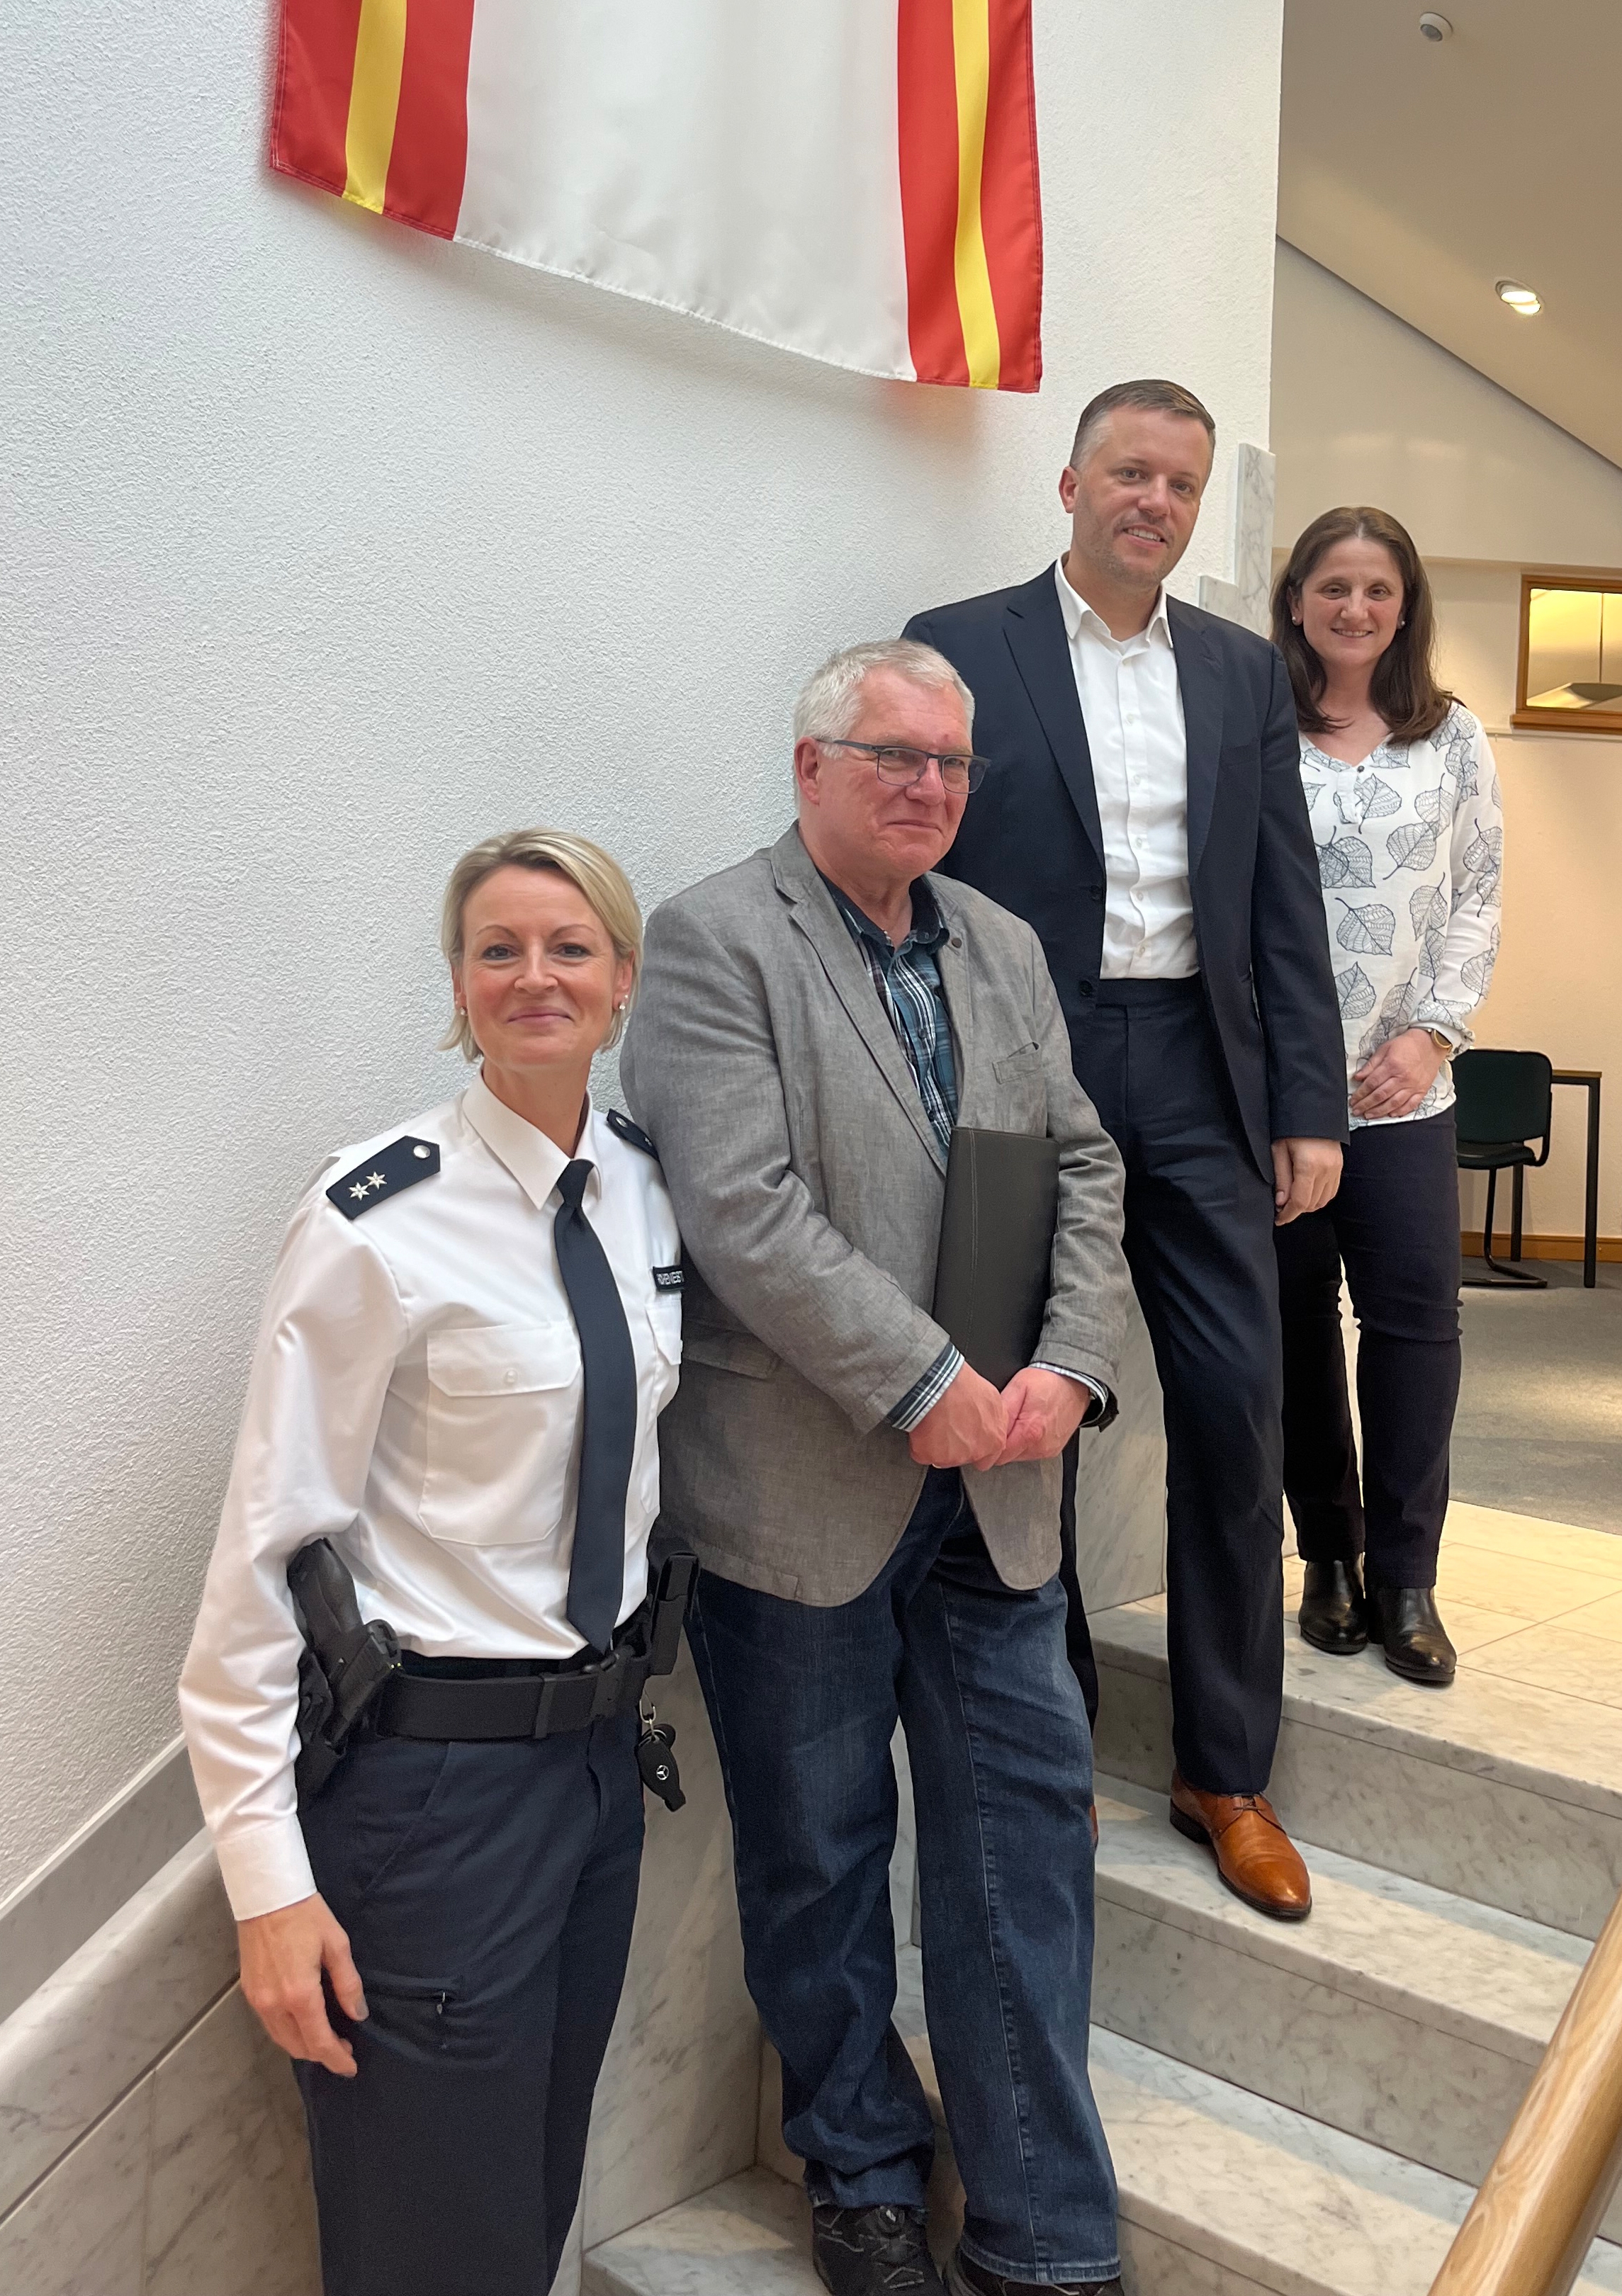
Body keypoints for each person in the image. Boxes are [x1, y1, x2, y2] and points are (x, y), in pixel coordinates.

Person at [621, 640, 1131, 2296]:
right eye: (890, 756)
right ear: (808, 766)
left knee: (1019, 1851)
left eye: (949, 765)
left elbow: (1080, 1159)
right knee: (818, 1857)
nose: (926, 788)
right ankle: (858, 2172)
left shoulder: (997, 940)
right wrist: (915, 1376)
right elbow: (740, 1204)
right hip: (802, 1486)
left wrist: (1065, 1360)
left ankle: (1045, 2228)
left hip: (1000, 1485)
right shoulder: (713, 941)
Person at [179, 828, 682, 2296]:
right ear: (457, 989)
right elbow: (261, 1559)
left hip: (597, 1772)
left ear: (622, 979)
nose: (536, 976)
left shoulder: (647, 1191)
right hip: (432, 1796)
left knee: (526, 2206)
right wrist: (266, 1883)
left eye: (568, 946)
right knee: (427, 2240)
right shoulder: (373, 1218)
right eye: (498, 950)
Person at [905, 380, 1348, 1924]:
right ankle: (1052, 1751)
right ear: (1071, 483)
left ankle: (1225, 1768)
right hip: (1028, 1072)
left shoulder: (1240, 675)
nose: (1152, 501)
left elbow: (1283, 902)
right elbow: (916, 876)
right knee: (1033, 1413)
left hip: (1204, 1077)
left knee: (1234, 1406)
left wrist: (1311, 1108)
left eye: (1179, 483)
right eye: (1128, 473)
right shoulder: (961, 644)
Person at [1270, 508, 1503, 1685]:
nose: (1354, 608)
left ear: (1405, 604)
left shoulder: (1451, 736)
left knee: (1416, 1330)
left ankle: (1409, 1575)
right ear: (1298, 598)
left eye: (1376, 589)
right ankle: (1332, 1560)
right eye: (1332, 587)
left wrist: (1431, 1035)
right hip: (1279, 1094)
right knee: (1297, 1332)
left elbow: (1478, 896)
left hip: (1406, 1094)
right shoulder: (1256, 723)